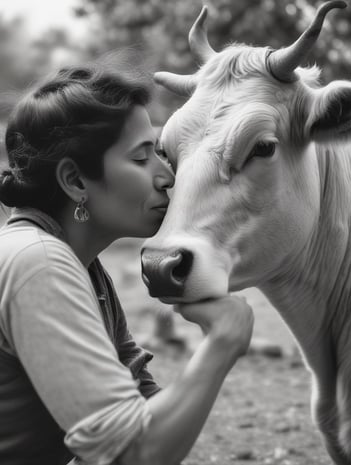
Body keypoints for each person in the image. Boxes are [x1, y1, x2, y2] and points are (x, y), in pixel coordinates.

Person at [0, 60, 254, 465]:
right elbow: (134, 452)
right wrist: (223, 342)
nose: (167, 176)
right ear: (76, 181)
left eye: (159, 153)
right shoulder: (40, 263)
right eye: (141, 159)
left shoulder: (84, 269)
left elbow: (144, 408)